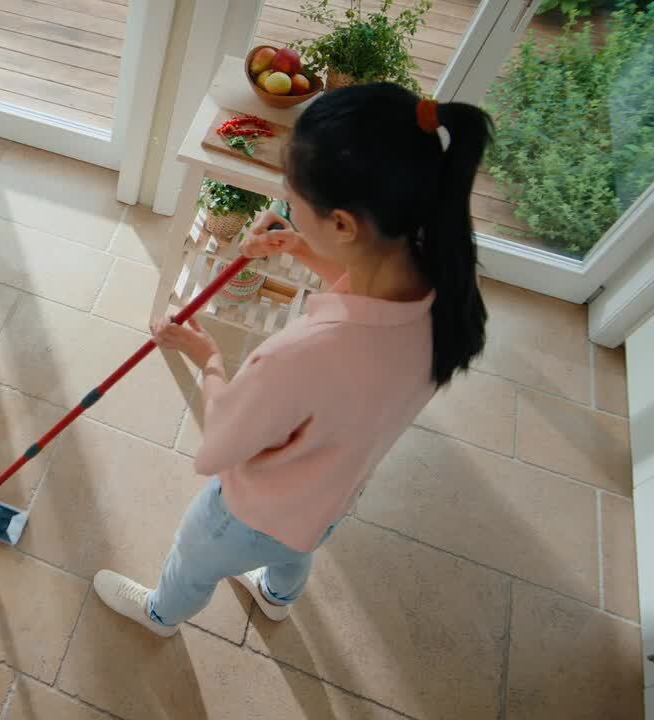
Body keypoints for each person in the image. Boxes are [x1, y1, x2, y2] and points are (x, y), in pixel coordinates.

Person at [93, 83, 493, 635]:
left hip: (250, 513)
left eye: (294, 201)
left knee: (194, 554)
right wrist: (301, 248)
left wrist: (207, 357)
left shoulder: (304, 355)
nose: (288, 211)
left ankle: (161, 615)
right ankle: (278, 597)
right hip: (332, 494)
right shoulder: (446, 288)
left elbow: (219, 448)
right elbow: (369, 300)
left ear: (344, 224)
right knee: (297, 546)